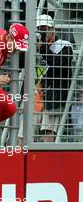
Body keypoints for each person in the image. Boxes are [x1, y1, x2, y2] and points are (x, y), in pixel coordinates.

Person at [36, 14, 73, 142]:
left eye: (45, 28)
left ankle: (46, 161)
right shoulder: (34, 45)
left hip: (53, 97)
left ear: (53, 28)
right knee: (23, 135)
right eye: (40, 28)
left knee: (48, 134)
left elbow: (61, 65)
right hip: (35, 96)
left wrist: (42, 47)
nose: (43, 31)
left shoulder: (65, 45)